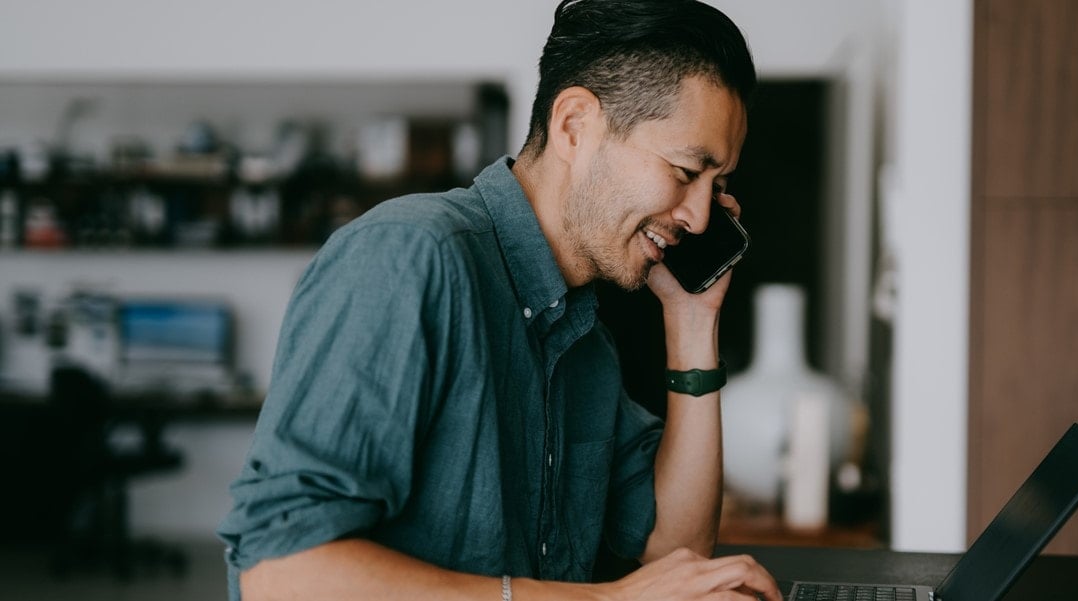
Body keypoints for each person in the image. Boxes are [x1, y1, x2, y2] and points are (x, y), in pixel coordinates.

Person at [217, 1, 781, 599]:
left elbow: (676, 551)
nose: (699, 218)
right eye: (686, 170)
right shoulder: (409, 257)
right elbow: (279, 573)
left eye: (716, 188)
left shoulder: (584, 337)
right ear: (574, 126)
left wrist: (693, 320)